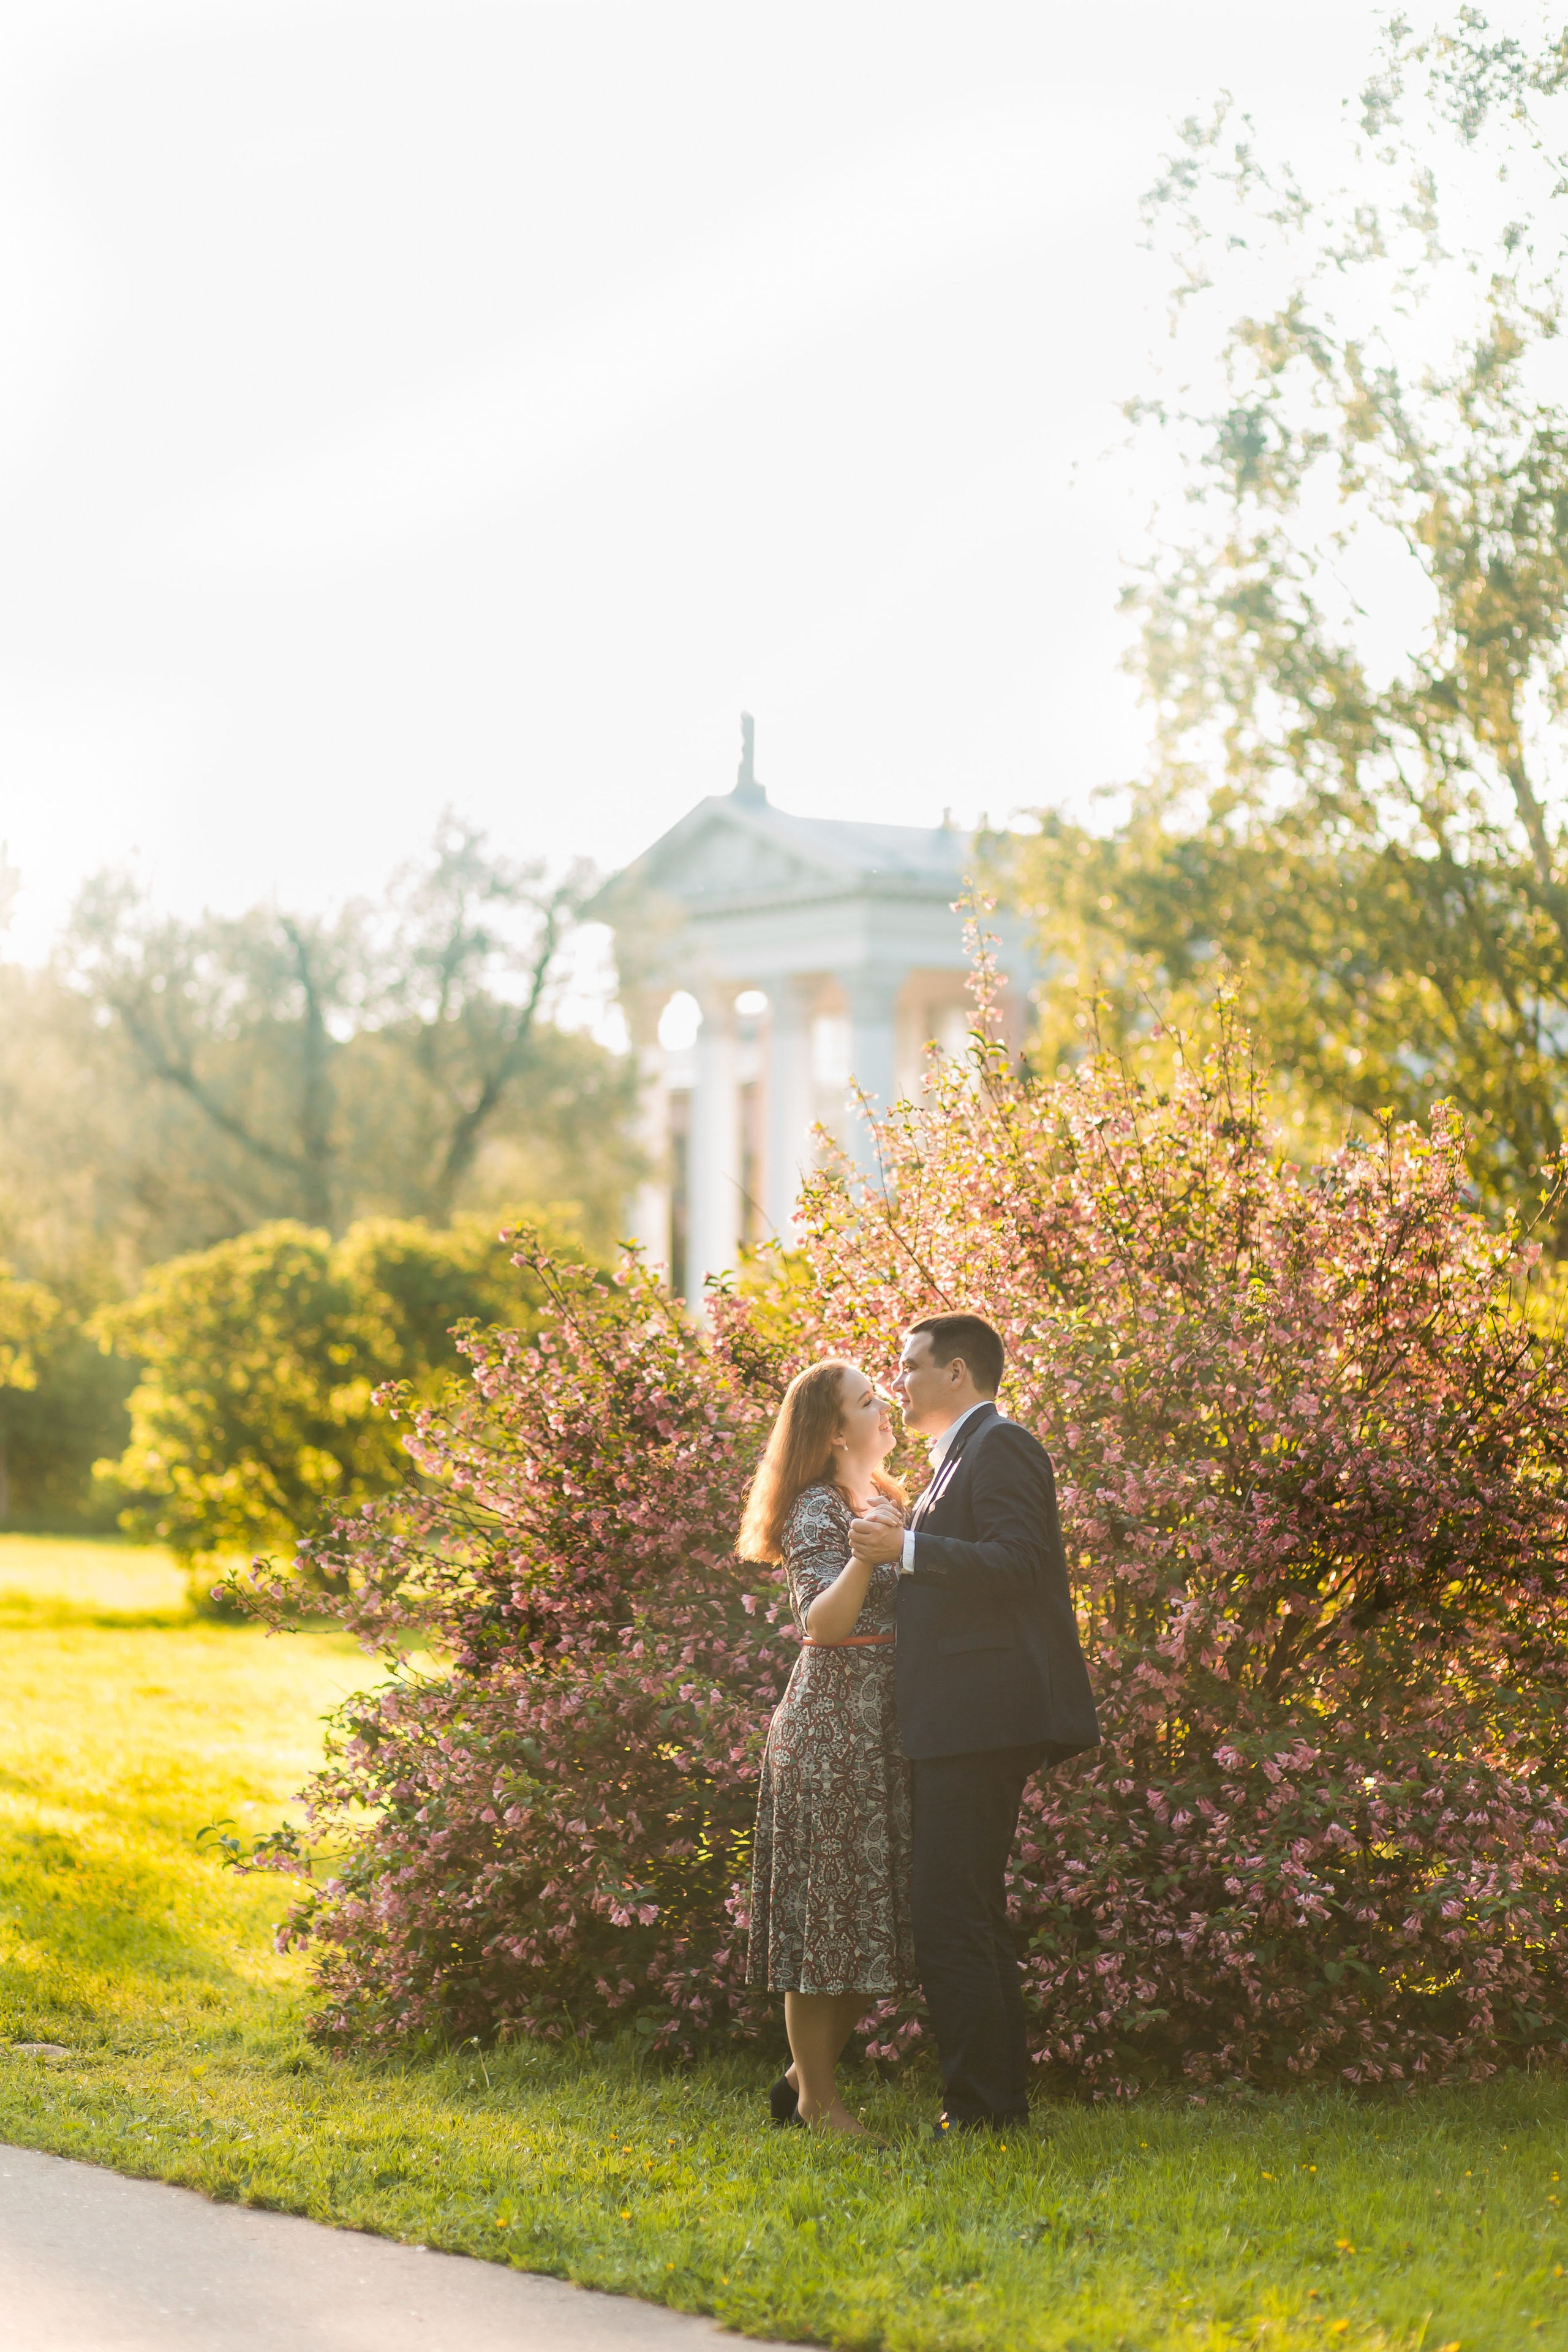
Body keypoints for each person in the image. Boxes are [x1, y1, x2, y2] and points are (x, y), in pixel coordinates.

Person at [847, 1312, 1099, 2135]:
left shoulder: (1001, 1445)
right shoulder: (953, 1459)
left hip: (982, 1717)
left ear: (957, 1373)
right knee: (965, 1908)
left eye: (911, 1366)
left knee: (949, 1908)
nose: (900, 1382)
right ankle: (992, 2106)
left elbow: (1020, 1562)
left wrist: (907, 1552)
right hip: (959, 1718)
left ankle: (981, 2109)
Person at [739, 1359, 915, 2136]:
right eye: (868, 1401)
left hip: (887, 1729)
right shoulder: (815, 1511)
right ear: (835, 1428)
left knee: (873, 1921)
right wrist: (865, 1555)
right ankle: (818, 2102)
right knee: (827, 1925)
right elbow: (823, 1625)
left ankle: (796, 2079)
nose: (886, 1409)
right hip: (831, 1729)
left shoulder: (889, 1498)